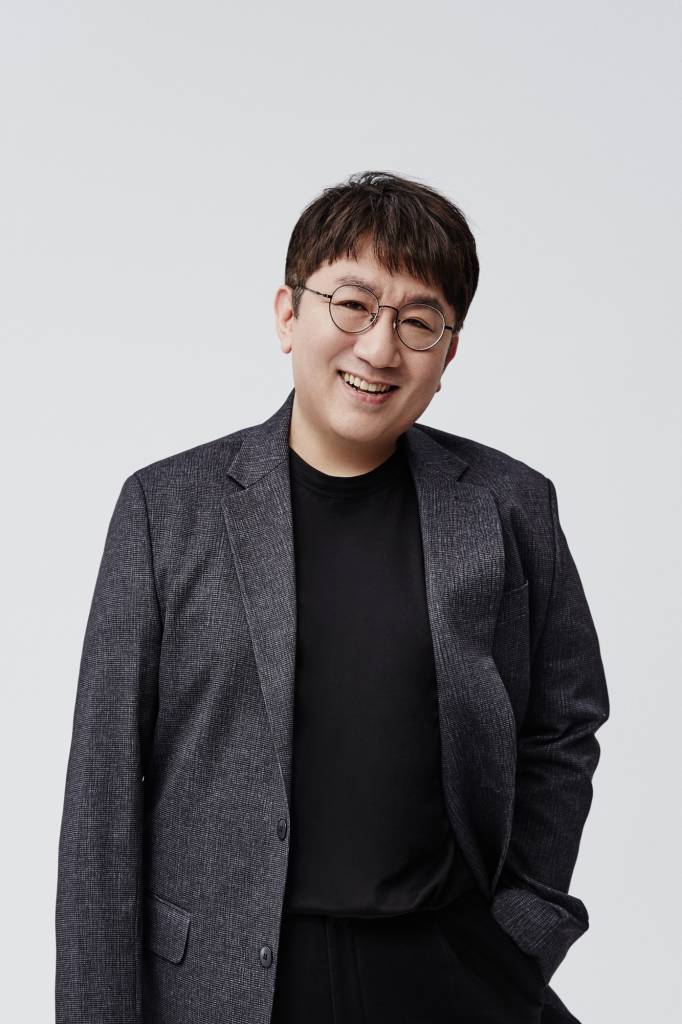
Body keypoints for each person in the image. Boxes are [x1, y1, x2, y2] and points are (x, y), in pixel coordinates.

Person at [55, 170, 610, 1024]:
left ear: (448, 353)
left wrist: (521, 932)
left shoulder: (509, 507)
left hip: (452, 973)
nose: (380, 348)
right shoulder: (167, 511)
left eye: (418, 321)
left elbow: (564, 723)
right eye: (352, 305)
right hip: (227, 987)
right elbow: (102, 802)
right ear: (288, 314)